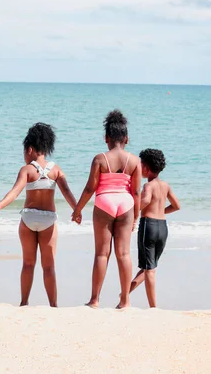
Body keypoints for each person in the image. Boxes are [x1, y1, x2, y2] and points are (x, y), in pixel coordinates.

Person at [0, 123, 78, 307]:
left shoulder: (27, 170)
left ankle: (24, 302)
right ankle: (53, 305)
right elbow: (67, 193)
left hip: (28, 219)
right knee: (48, 267)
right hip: (48, 220)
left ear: (29, 149)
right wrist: (77, 210)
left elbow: (14, 193)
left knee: (28, 264)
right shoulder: (56, 169)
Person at [72, 110, 141, 309]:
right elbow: (136, 192)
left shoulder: (100, 159)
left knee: (102, 254)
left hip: (104, 202)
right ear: (126, 139)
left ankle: (94, 300)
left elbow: (89, 188)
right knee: (124, 254)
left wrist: (78, 210)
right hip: (125, 203)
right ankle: (125, 301)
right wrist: (135, 216)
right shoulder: (134, 161)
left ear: (106, 138)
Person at [129, 149, 180, 307]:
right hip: (162, 227)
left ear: (146, 168)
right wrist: (161, 211)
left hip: (148, 227)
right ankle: (124, 295)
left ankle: (153, 307)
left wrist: (131, 211)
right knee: (149, 266)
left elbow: (145, 201)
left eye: (141, 164)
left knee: (149, 270)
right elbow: (176, 205)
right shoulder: (165, 185)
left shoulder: (148, 185)